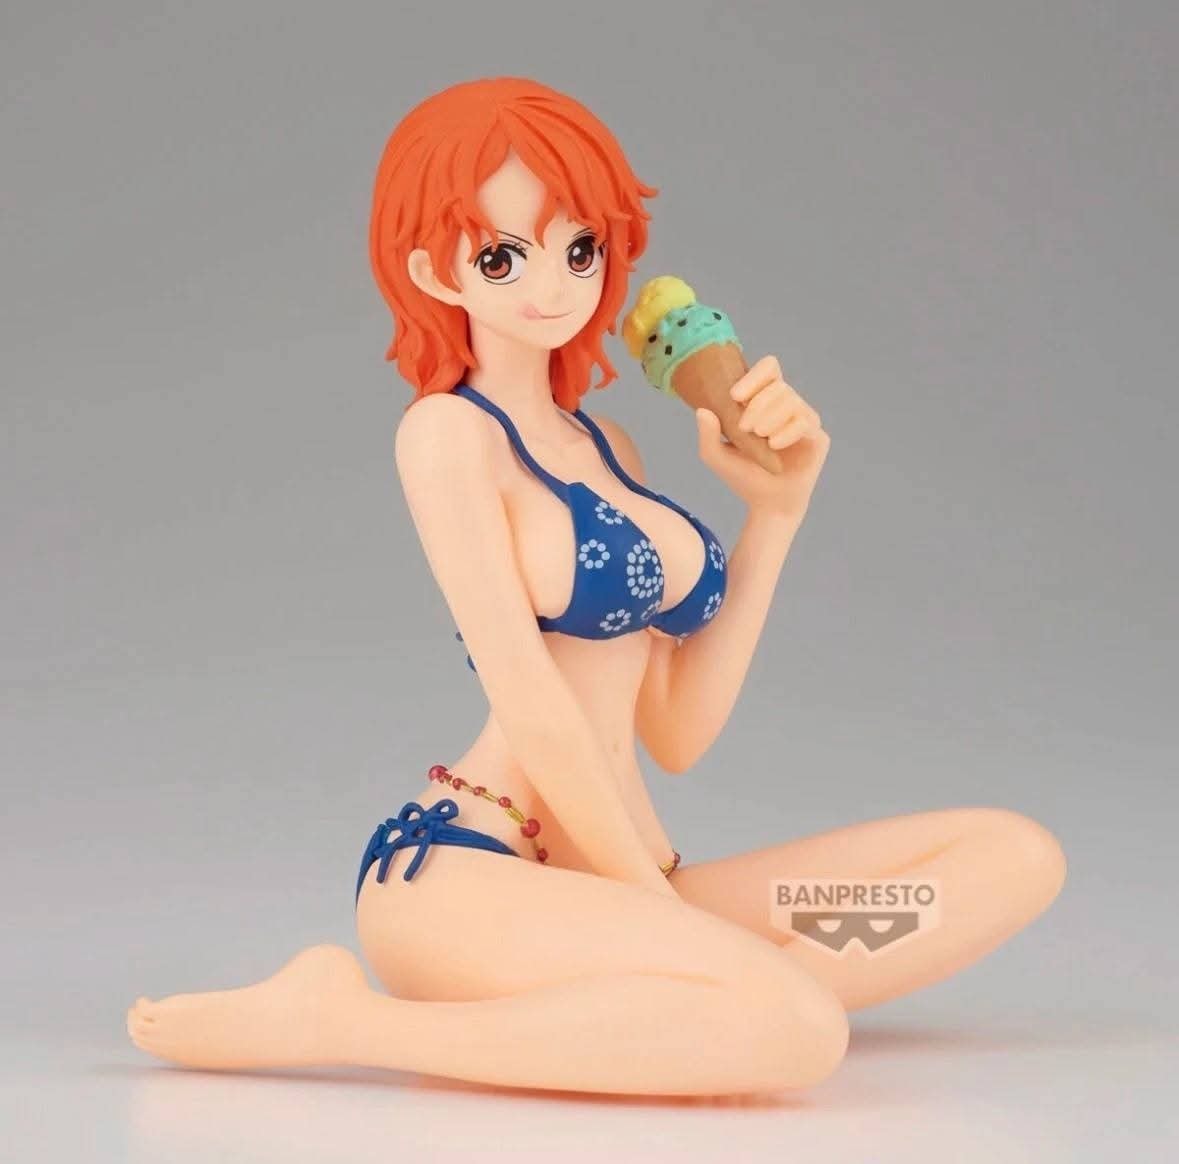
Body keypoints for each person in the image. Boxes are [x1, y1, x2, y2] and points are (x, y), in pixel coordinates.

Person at [126, 76, 1066, 1097]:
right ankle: (343, 1018)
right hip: (472, 877)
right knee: (797, 1030)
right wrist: (657, 915)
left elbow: (675, 731)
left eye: (579, 249)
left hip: (629, 877)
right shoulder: (447, 435)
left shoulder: (609, 445)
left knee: (1005, 858)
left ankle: (708, 1003)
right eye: (502, 256)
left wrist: (777, 515)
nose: (555, 284)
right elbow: (531, 701)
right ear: (433, 271)